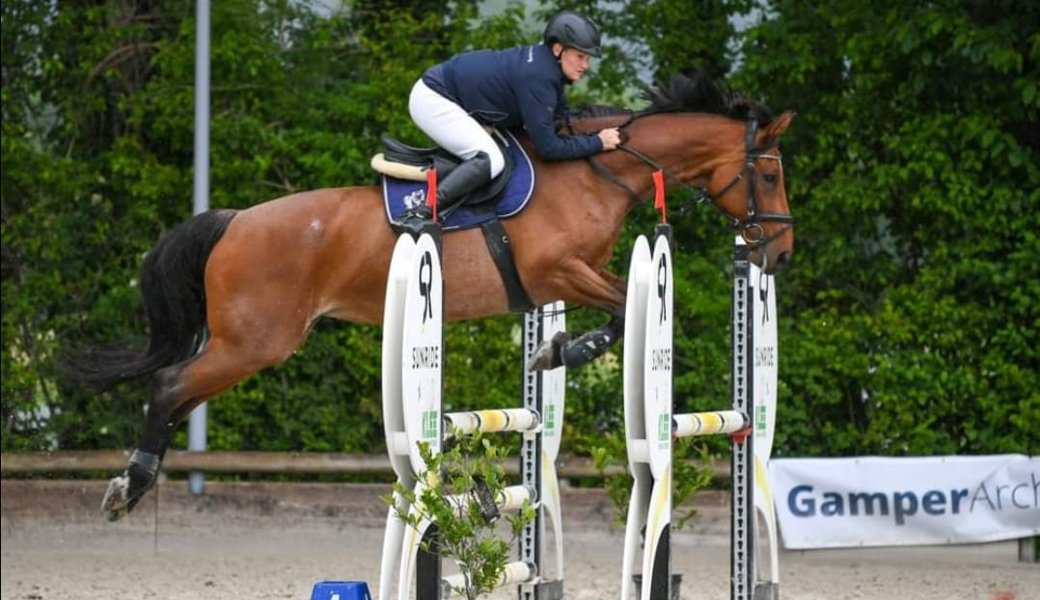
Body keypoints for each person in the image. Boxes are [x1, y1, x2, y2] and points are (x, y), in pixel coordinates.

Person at [401, 10, 622, 228]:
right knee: (491, 160)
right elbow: (548, 148)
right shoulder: (540, 77)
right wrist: (597, 142)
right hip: (433, 99)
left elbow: (562, 120)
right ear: (558, 49)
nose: (586, 65)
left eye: (588, 58)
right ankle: (423, 211)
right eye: (580, 57)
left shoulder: (547, 68)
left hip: (449, 93)